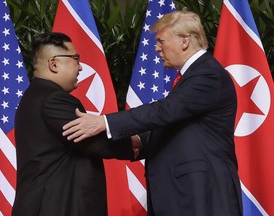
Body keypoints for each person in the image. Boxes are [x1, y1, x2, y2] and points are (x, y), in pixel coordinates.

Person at [62, 11, 243, 216]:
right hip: (185, 192)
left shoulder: (207, 73)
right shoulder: (193, 75)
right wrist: (139, 141)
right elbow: (176, 123)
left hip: (202, 191)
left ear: (185, 41)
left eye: (161, 41)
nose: (157, 48)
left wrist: (104, 122)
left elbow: (165, 111)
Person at [12, 32, 140, 216]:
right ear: (54, 64)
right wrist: (139, 143)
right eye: (75, 58)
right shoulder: (53, 99)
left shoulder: (35, 96)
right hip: (57, 207)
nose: (80, 67)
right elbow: (94, 142)